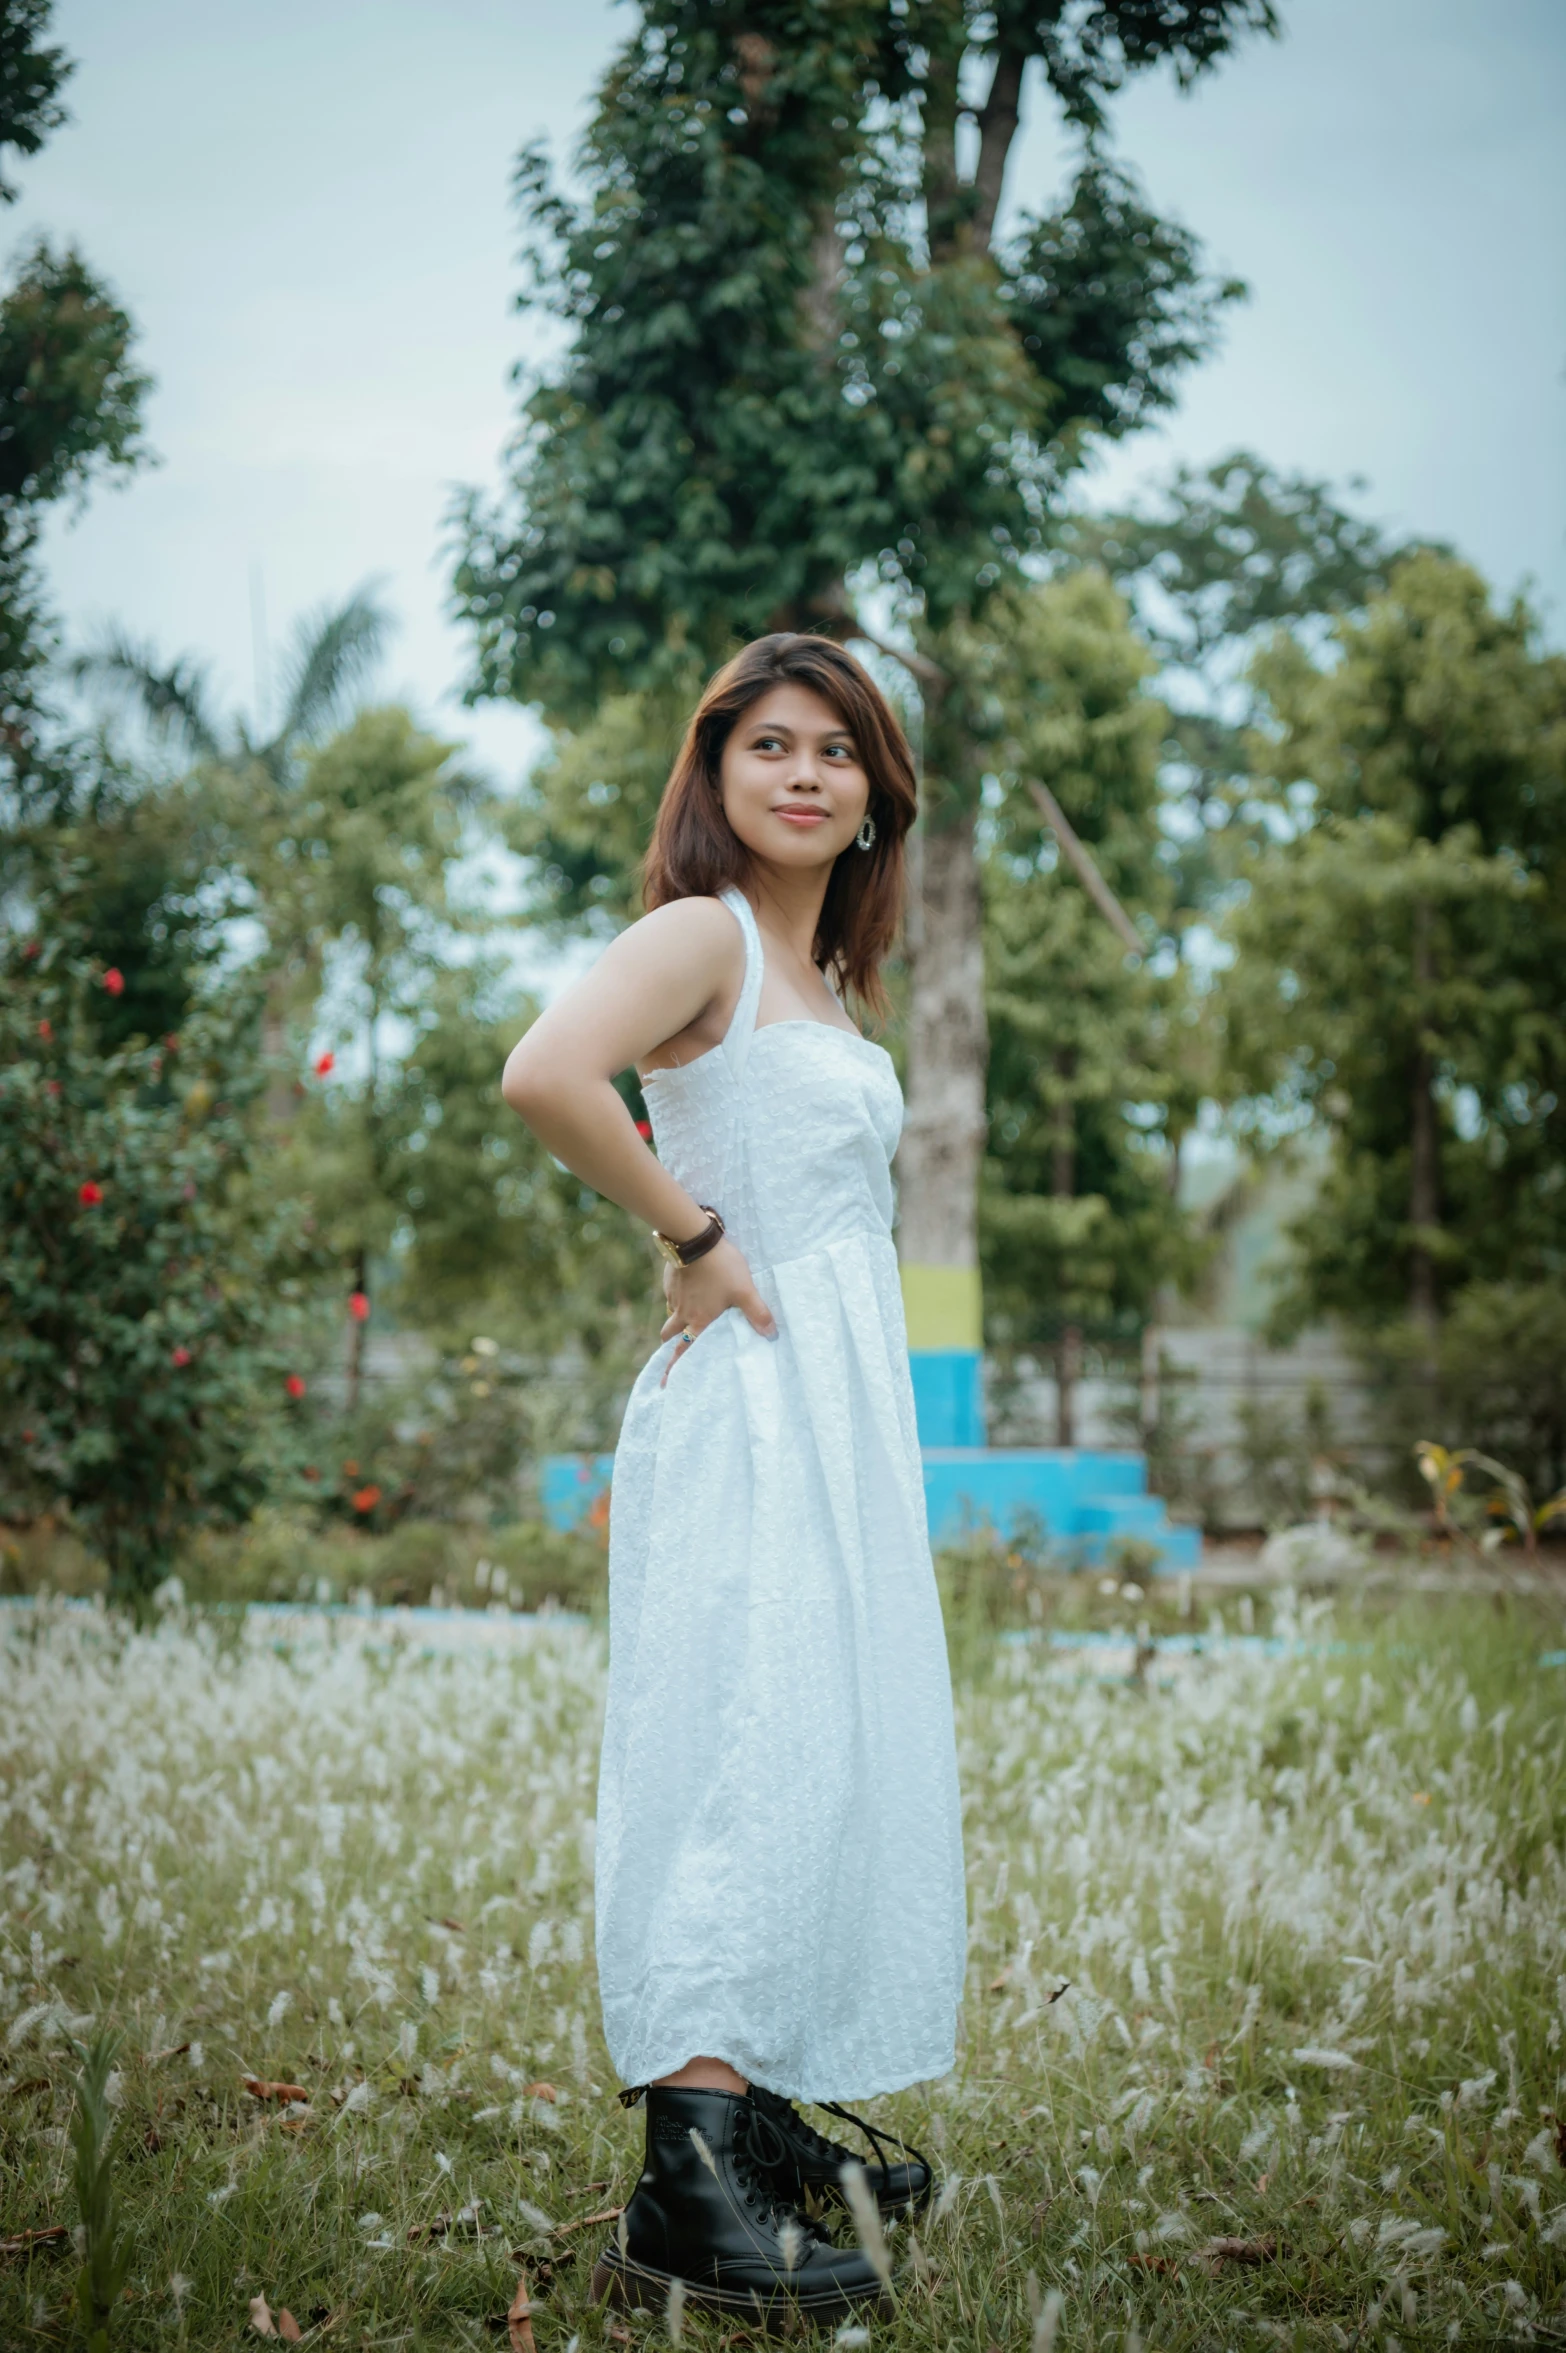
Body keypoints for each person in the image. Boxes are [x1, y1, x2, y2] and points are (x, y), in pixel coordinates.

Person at [501, 633, 966, 2323]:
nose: (801, 773)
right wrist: (690, 1237)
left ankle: (746, 2100)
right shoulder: (697, 936)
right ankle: (686, 2174)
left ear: (871, 803)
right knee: (742, 1746)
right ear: (713, 775)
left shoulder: (824, 981)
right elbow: (545, 1073)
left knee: (814, 1743)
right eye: (766, 743)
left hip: (835, 1410)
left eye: (835, 754)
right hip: (750, 1408)